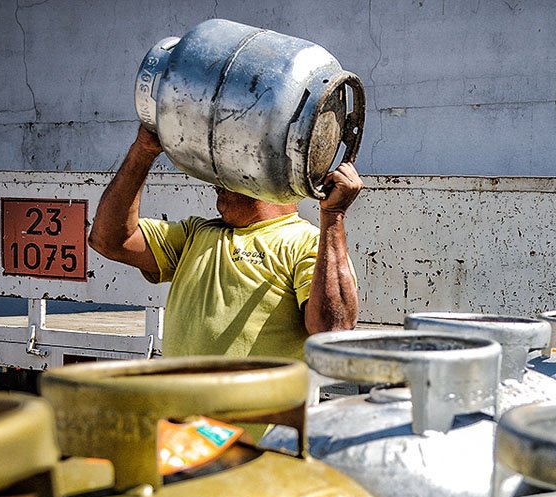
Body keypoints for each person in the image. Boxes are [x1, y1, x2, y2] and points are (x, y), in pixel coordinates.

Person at [88, 125, 362, 360]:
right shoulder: (196, 234)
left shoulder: (306, 242)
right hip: (185, 423)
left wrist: (333, 215)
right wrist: (143, 151)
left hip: (255, 423)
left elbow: (332, 332)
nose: (216, 182)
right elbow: (108, 240)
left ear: (265, 179)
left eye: (231, 170)